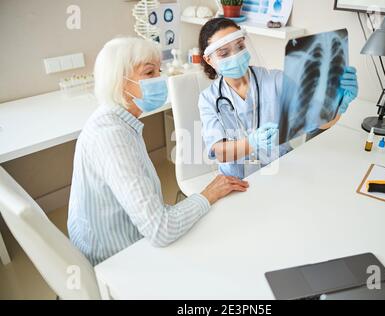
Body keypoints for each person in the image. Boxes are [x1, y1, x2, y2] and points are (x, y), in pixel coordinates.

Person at [67, 37, 249, 265]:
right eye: (149, 72)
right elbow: (160, 230)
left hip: (128, 233)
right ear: (120, 82)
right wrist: (207, 194)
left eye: (159, 70)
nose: (160, 79)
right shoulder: (112, 137)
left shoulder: (118, 121)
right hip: (117, 258)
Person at [198, 18, 358, 179]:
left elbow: (319, 121)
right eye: (224, 53)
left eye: (240, 46)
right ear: (209, 60)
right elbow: (220, 153)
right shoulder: (208, 99)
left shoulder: (275, 80)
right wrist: (251, 143)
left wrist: (338, 103)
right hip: (235, 181)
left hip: (282, 171)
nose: (236, 56)